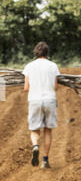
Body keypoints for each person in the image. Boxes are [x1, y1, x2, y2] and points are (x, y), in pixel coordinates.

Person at [23, 41, 60, 169]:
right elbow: (55, 86)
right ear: (47, 52)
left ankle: (35, 146)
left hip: (34, 100)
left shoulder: (29, 66)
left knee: (34, 129)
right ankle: (45, 160)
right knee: (48, 130)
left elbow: (26, 88)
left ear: (36, 52)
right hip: (50, 99)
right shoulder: (53, 66)